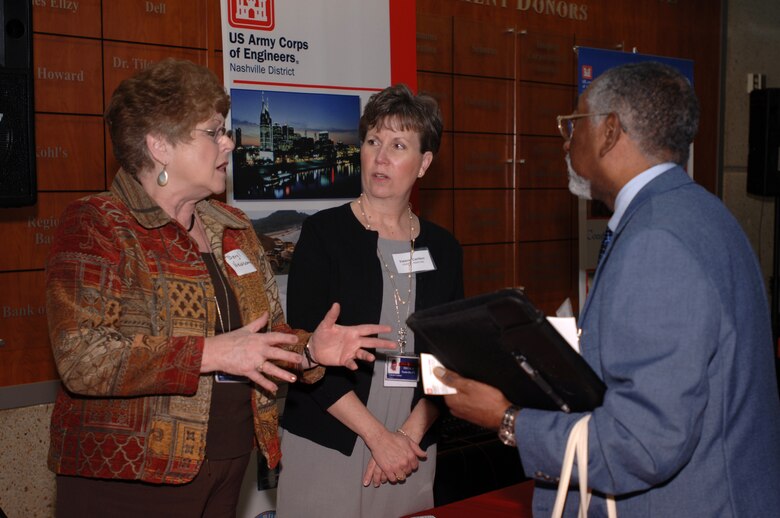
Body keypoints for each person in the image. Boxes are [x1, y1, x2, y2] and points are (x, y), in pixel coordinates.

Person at [45, 58, 395, 518]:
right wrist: (212, 353)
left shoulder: (231, 227)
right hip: (131, 478)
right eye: (213, 132)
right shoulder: (99, 224)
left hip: (228, 464)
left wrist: (312, 353)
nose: (229, 143)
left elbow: (261, 340)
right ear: (160, 146)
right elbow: (82, 356)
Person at [435, 61, 780, 516]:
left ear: (610, 131)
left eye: (574, 123)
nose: (566, 139)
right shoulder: (704, 214)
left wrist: (507, 420)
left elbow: (643, 443)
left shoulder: (658, 240)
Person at [276, 84, 464, 517]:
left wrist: (408, 436)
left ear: (424, 163)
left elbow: (450, 361)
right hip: (333, 438)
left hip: (412, 445)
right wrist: (379, 438)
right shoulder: (324, 235)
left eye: (398, 145)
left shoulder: (444, 248)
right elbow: (304, 347)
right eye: (373, 141)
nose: (380, 157)